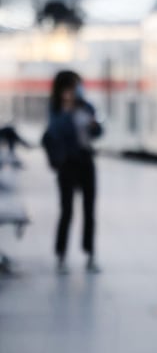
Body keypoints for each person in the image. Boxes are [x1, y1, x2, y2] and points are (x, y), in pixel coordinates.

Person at [42, 70, 103, 273]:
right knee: (67, 210)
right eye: (71, 86)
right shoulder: (56, 110)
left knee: (89, 210)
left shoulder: (87, 107)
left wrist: (95, 127)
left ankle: (90, 254)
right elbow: (54, 132)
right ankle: (61, 256)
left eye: (77, 85)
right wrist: (66, 111)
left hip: (86, 160)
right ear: (61, 90)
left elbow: (98, 132)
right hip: (67, 164)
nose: (76, 90)